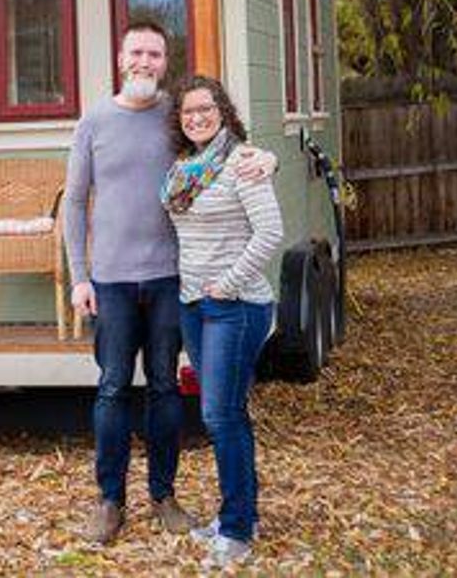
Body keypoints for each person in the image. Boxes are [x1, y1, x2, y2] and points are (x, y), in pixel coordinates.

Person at [63, 23, 277, 546]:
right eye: (135, 51)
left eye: (154, 54)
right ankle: (110, 500)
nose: (144, 61)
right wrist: (79, 276)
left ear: (165, 61)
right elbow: (73, 202)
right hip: (110, 281)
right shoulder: (93, 122)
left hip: (170, 280)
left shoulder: (176, 117)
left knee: (164, 387)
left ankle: (164, 496)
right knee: (113, 387)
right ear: (120, 57)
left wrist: (263, 158)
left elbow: (227, 148)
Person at [161, 75, 284, 569]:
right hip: (194, 303)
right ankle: (243, 514)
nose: (196, 117)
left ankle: (235, 531)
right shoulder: (183, 169)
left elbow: (271, 232)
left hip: (236, 304)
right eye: (187, 111)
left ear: (223, 111)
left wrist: (228, 283)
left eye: (205, 109)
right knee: (229, 412)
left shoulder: (242, 162)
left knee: (218, 415)